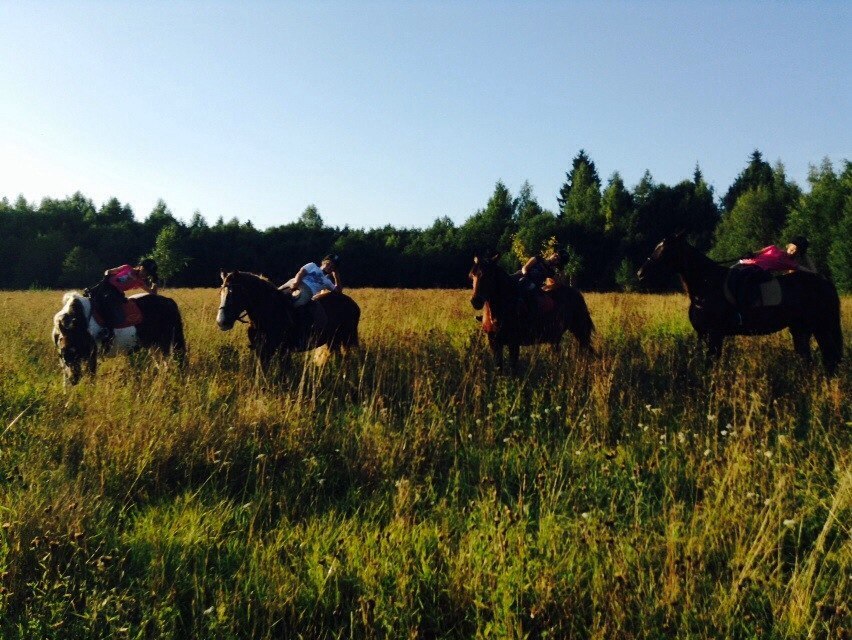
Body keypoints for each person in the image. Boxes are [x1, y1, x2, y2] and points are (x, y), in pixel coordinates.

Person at [730, 236, 813, 313]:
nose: (793, 252)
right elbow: (759, 252)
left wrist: (813, 272)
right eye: (793, 249)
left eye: (796, 252)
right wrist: (750, 254)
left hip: (757, 270)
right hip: (744, 263)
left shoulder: (790, 263)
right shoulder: (773, 247)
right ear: (789, 245)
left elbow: (803, 269)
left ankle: (740, 308)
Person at [93, 258, 159, 344]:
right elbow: (108, 271)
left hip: (116, 294)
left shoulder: (140, 282)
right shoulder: (127, 267)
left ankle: (106, 330)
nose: (146, 275)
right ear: (140, 267)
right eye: (145, 271)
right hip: (105, 287)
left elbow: (153, 293)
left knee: (117, 313)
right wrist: (106, 276)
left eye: (148, 274)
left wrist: (155, 282)